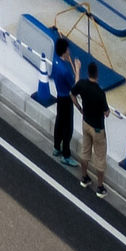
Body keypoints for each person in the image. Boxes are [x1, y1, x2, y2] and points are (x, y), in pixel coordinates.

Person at [73, 61, 110, 197]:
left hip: (86, 123)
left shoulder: (82, 84)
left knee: (85, 151)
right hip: (98, 129)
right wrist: (107, 111)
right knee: (100, 157)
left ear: (88, 73)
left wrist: (79, 108)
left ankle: (84, 178)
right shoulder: (100, 93)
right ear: (97, 74)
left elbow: (72, 93)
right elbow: (106, 112)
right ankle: (100, 187)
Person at [51, 37, 77, 166]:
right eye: (68, 50)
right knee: (68, 128)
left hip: (59, 97)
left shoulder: (55, 61)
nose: (69, 52)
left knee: (59, 123)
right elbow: (75, 86)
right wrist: (77, 70)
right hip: (67, 99)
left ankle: (56, 147)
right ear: (64, 51)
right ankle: (66, 155)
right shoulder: (65, 71)